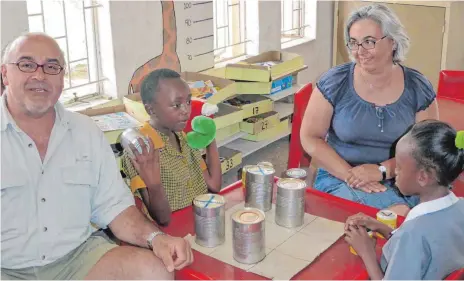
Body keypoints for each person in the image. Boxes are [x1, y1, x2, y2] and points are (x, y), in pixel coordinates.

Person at [0, 33, 193, 280]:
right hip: (6, 268)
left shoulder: (85, 132)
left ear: (62, 77)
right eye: (26, 65)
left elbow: (115, 207)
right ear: (5, 74)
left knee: (155, 270)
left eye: (51, 67)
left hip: (78, 259)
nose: (39, 76)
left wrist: (157, 238)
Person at [300, 4, 439, 215]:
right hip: (341, 173)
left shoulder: (418, 86)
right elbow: (310, 137)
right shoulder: (334, 82)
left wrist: (382, 170)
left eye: (369, 42)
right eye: (354, 43)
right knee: (394, 215)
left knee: (432, 209)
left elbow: (427, 147)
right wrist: (352, 175)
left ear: (392, 41)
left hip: (406, 173)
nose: (359, 51)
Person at [344, 120, 464, 280]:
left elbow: (414, 241)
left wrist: (367, 253)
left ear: (422, 177)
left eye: (399, 167)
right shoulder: (460, 207)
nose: (394, 171)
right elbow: (429, 245)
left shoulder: (413, 234)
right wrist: (381, 227)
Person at [121, 68, 222, 226]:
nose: (186, 111)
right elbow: (163, 219)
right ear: (150, 109)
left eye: (188, 102)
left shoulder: (184, 138)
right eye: (176, 105)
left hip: (198, 220)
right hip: (170, 233)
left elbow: (214, 185)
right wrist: (154, 184)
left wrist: (210, 138)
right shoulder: (141, 151)